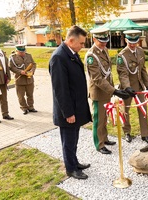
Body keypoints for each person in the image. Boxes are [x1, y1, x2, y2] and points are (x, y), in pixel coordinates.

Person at [49, 25, 92, 180]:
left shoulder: (71, 53)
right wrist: (68, 113)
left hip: (76, 107)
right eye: (81, 43)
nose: (83, 46)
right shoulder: (59, 57)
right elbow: (60, 90)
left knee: (74, 139)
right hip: (69, 110)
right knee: (68, 141)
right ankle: (71, 169)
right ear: (71, 40)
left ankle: (74, 162)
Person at [84, 28, 129, 155]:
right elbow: (97, 79)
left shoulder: (104, 50)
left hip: (106, 90)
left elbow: (108, 73)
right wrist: (114, 90)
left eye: (105, 41)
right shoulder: (91, 56)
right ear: (94, 39)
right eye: (100, 41)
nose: (104, 44)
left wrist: (113, 89)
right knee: (99, 119)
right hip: (98, 93)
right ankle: (99, 144)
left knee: (104, 118)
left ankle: (105, 138)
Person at [116, 30, 148, 144]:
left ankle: (145, 134)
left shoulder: (141, 51)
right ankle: (127, 132)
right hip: (127, 88)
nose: (132, 45)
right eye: (130, 42)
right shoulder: (121, 55)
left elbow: (143, 69)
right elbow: (123, 74)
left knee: (143, 110)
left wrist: (147, 83)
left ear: (138, 41)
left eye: (135, 42)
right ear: (126, 40)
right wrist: (127, 87)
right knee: (125, 110)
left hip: (139, 86)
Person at [9, 44, 37, 115]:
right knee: (21, 96)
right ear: (16, 51)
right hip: (20, 80)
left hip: (29, 79)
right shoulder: (12, 57)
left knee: (30, 94)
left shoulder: (28, 55)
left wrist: (32, 71)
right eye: (21, 52)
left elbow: (33, 64)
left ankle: (31, 107)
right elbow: (11, 67)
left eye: (24, 51)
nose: (23, 53)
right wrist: (20, 71)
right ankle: (24, 108)